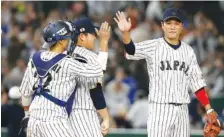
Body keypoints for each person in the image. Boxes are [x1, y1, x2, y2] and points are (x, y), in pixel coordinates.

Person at [114, 8, 221, 137]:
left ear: (181, 26)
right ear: (162, 25)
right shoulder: (153, 46)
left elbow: (197, 83)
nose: (172, 27)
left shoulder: (188, 51)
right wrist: (126, 33)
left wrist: (208, 108)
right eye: (169, 23)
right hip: (160, 109)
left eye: (176, 23)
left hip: (182, 110)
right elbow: (131, 51)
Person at [19, 20, 103, 137]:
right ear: (61, 41)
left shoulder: (35, 58)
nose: (71, 40)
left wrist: (27, 114)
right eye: (69, 37)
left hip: (34, 120)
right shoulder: (68, 62)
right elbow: (98, 71)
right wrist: (103, 44)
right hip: (55, 120)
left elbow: (25, 93)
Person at [69, 18, 110, 137]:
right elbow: (96, 88)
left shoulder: (63, 55)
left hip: (62, 116)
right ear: (82, 36)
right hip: (83, 115)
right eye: (92, 35)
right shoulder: (89, 57)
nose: (95, 38)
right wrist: (106, 117)